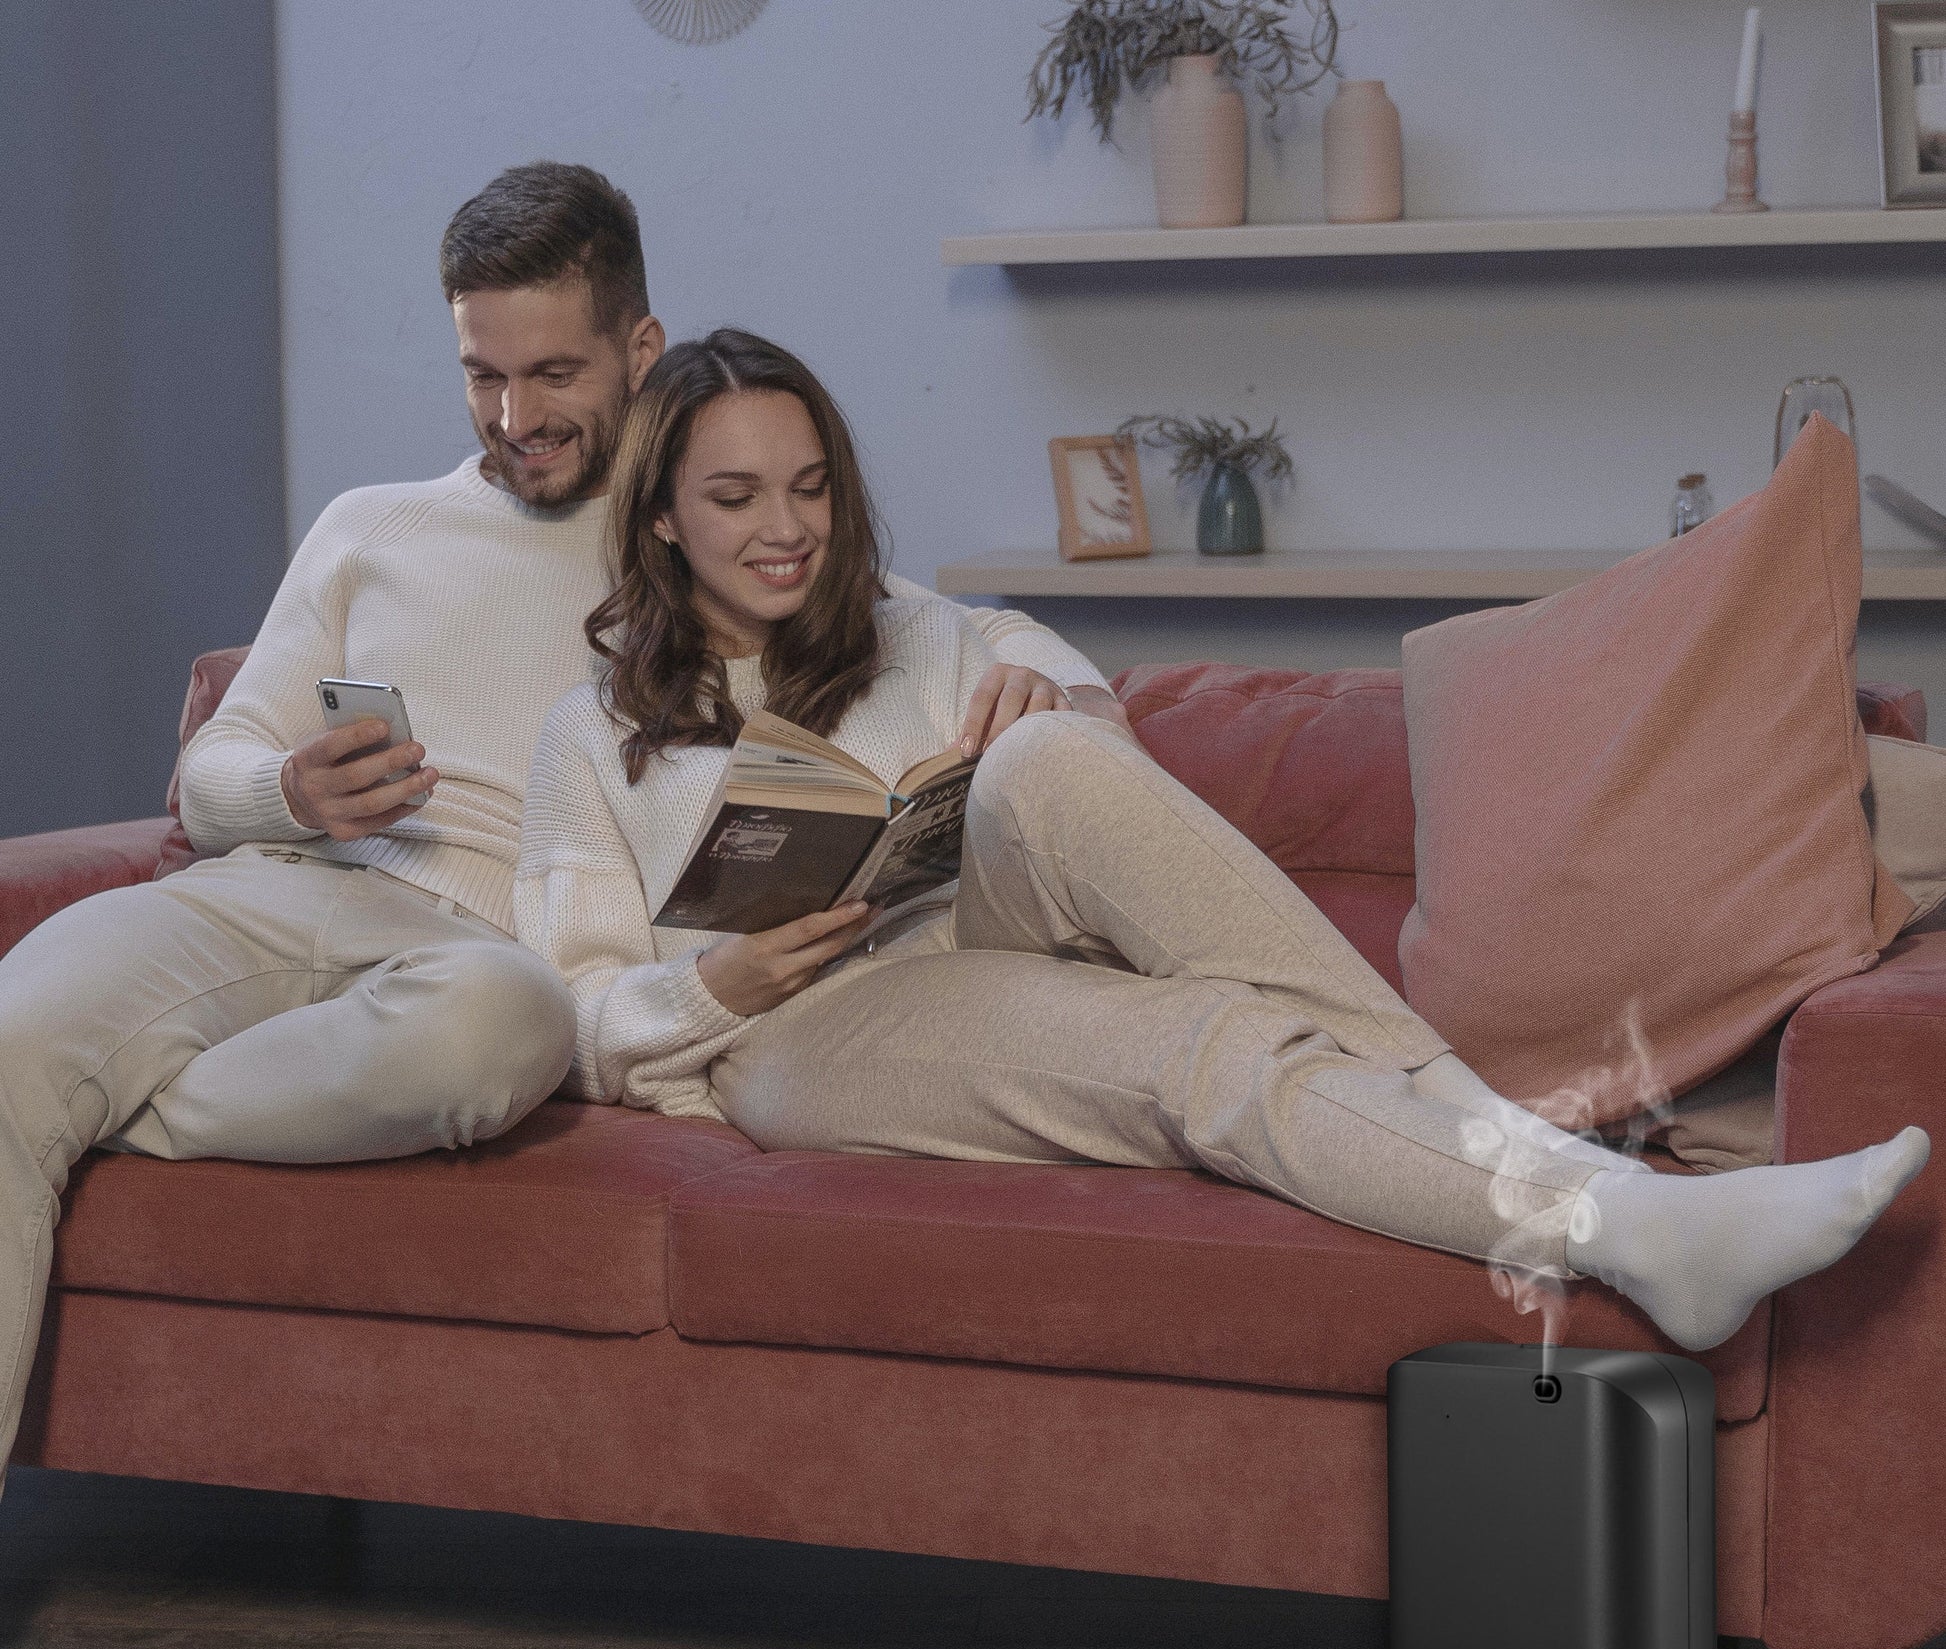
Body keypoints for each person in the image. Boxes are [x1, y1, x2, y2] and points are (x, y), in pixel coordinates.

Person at [0, 162, 1109, 1494]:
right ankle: (64, 1091)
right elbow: (211, 770)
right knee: (12, 1037)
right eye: (483, 375)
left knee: (502, 1033)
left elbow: (959, 628)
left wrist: (1058, 690)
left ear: (641, 348)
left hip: (486, 955)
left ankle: (112, 1109)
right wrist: (288, 789)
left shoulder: (707, 528)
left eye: (555, 375)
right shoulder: (370, 529)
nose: (515, 417)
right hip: (283, 891)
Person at [518, 327, 1930, 1356]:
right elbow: (572, 1023)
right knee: (1214, 1045)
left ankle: (1503, 1134)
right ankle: (1619, 1214)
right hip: (794, 1031)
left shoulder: (914, 628)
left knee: (1059, 746)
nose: (788, 530)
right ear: (659, 517)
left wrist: (1047, 697)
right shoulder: (591, 737)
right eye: (737, 496)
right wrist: (719, 985)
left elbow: (1110, 802)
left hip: (969, 931)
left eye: (810, 486)